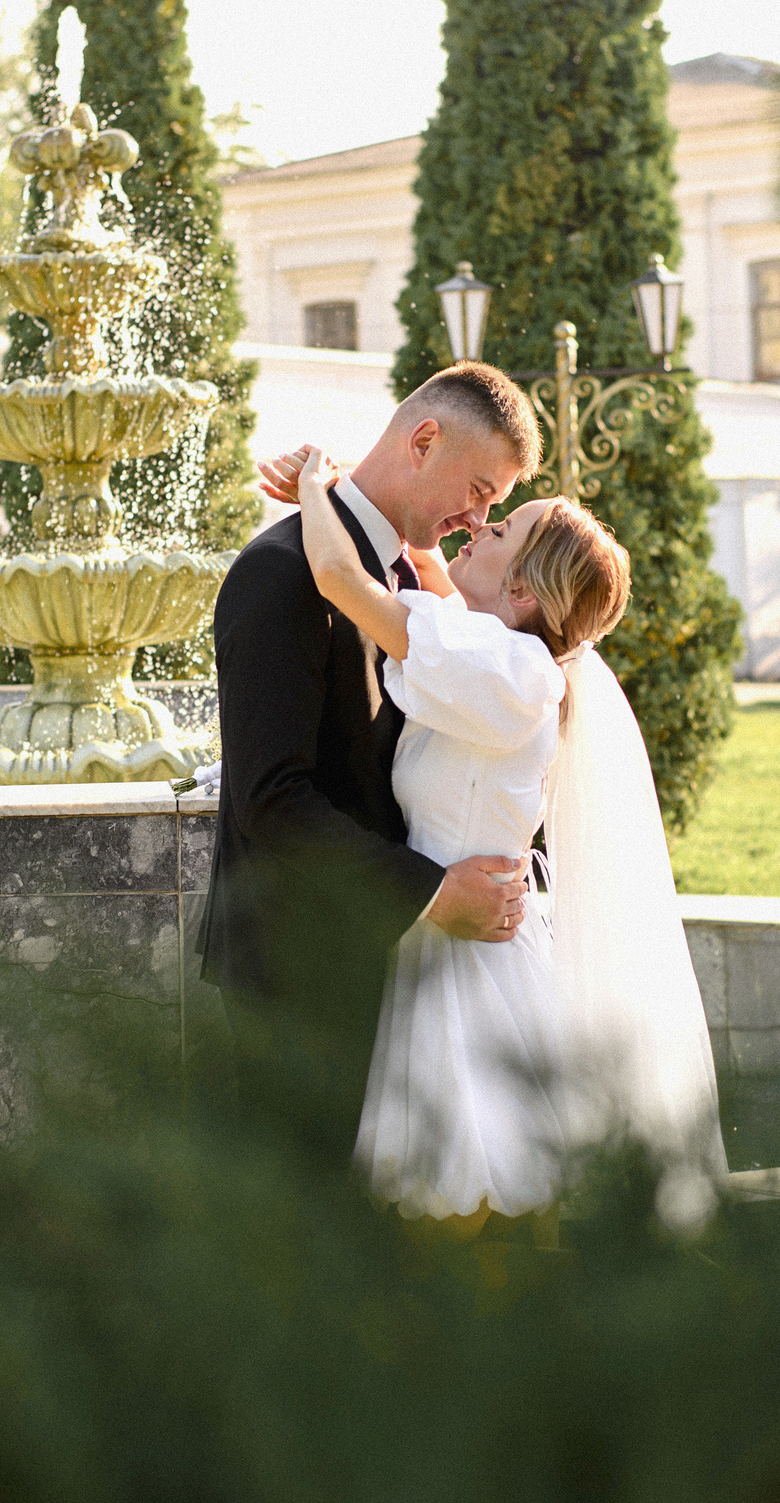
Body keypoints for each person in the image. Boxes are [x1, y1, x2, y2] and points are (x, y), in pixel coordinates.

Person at [267, 442, 728, 1233]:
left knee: (477, 1201)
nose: (476, 528)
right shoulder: (498, 652)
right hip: (443, 936)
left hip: (468, 969)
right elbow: (428, 566)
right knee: (466, 1205)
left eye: (501, 527)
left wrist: (315, 485)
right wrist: (376, 492)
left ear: (520, 587)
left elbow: (341, 581)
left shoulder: (511, 675)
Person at [197, 366, 541, 1150]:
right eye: (481, 490)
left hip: (387, 969)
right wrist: (429, 895)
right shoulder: (283, 573)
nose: (480, 519)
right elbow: (271, 798)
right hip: (298, 974)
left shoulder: (400, 579)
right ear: (424, 440)